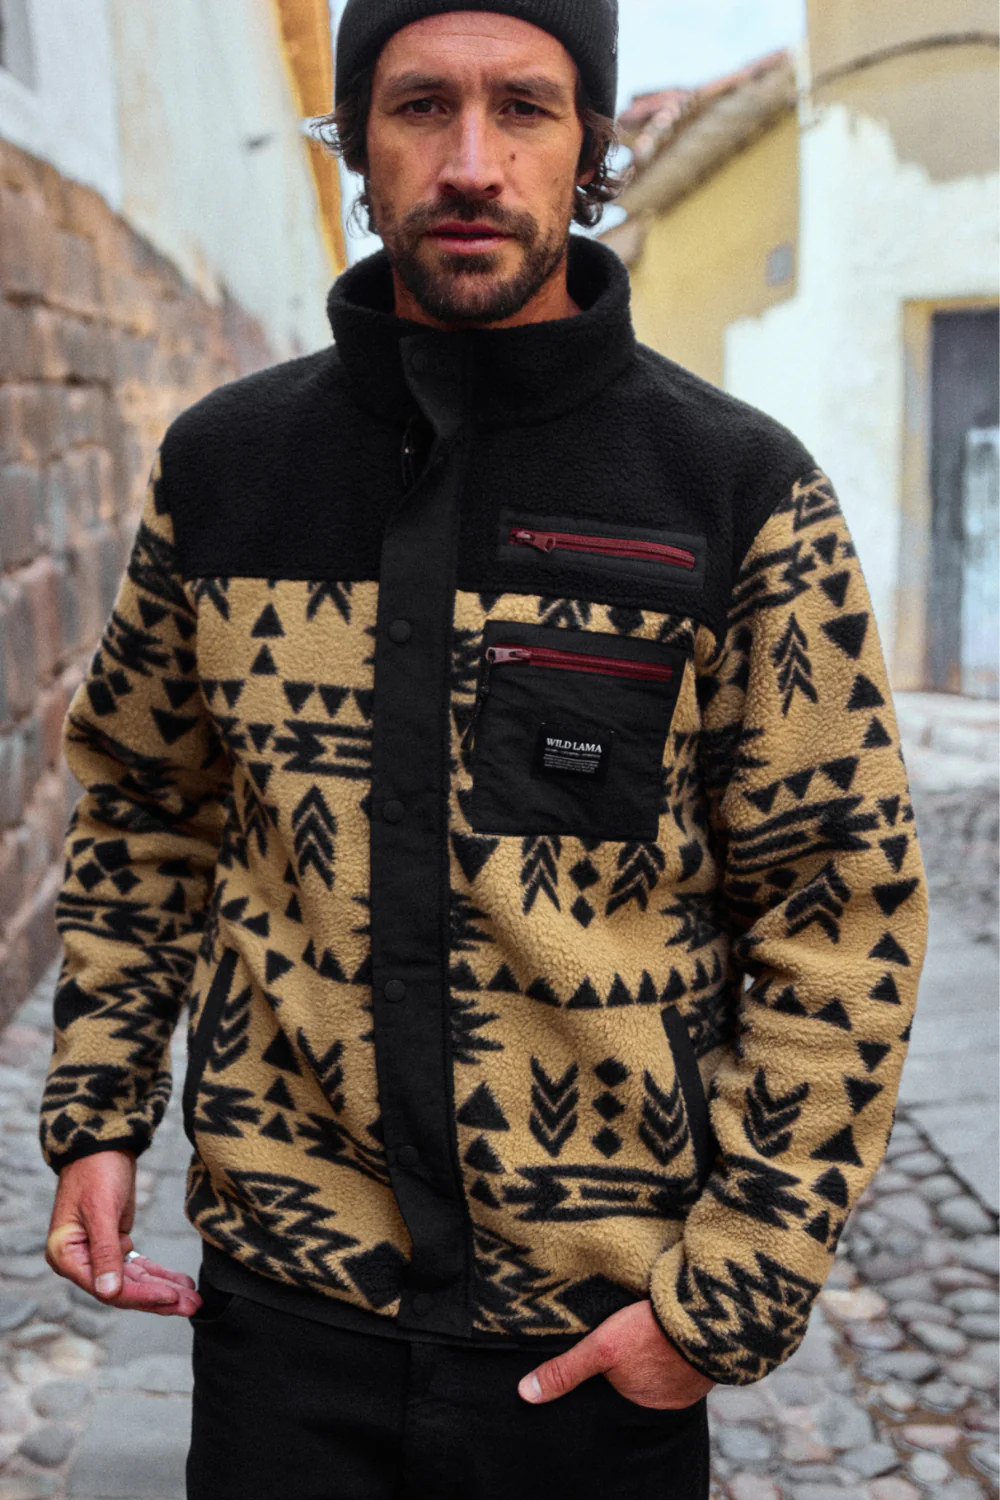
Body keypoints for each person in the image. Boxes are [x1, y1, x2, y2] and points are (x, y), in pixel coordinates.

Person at [41, 3, 928, 1496]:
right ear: (352, 143)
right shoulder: (223, 470)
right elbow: (145, 808)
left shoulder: (737, 494)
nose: (470, 160)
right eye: (418, 106)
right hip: (283, 1323)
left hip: (593, 1353)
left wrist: (726, 1298)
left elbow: (840, 911)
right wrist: (98, 1112)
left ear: (590, 145)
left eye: (522, 106)